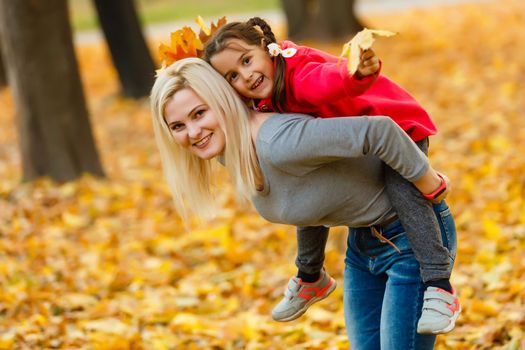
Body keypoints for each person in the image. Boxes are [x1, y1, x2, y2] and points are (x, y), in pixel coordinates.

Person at [150, 57, 459, 349]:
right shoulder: (230, 148)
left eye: (199, 113)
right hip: (363, 246)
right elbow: (308, 190)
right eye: (177, 126)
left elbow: (380, 131)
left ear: (222, 102)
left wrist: (428, 180)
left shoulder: (279, 142)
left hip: (412, 239)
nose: (193, 132)